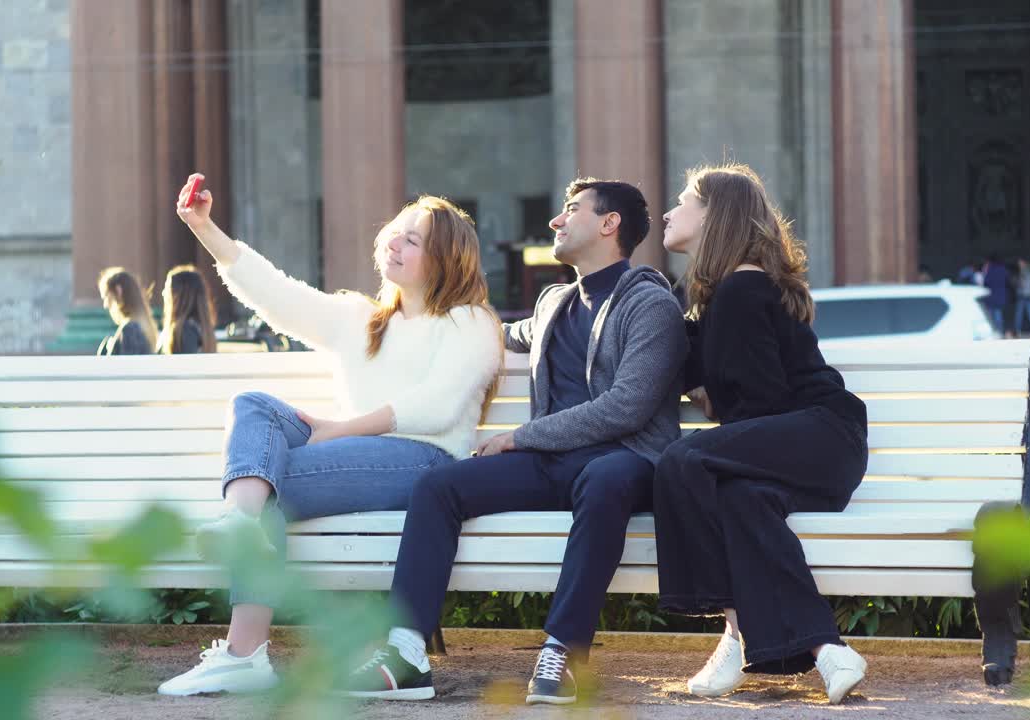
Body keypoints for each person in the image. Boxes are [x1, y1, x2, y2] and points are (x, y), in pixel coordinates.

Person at [343, 179, 687, 704]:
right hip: (551, 464)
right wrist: (415, 320)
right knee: (439, 487)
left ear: (608, 223)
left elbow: (628, 407)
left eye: (571, 209)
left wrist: (521, 436)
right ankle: (406, 652)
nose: (556, 220)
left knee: (603, 477)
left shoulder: (650, 304)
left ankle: (563, 652)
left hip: (625, 462)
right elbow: (492, 335)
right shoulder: (555, 302)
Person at [156, 178, 503, 696]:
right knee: (253, 408)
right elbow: (276, 294)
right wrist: (204, 227)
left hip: (424, 461)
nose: (396, 242)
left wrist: (341, 429)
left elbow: (437, 407)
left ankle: (243, 654)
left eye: (415, 240)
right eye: (398, 231)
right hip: (353, 454)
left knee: (265, 480)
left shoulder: (469, 321)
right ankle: (241, 524)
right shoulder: (362, 318)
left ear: (446, 260)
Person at [653, 163, 870, 705]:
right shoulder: (725, 294)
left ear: (713, 218)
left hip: (819, 434)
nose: (668, 212)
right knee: (741, 500)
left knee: (681, 462)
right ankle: (828, 651)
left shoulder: (742, 289)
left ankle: (734, 626)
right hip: (811, 448)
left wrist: (709, 410)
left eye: (682, 202)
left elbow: (764, 404)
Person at [96, 267, 157, 355]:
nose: (105, 305)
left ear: (118, 291)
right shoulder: (142, 325)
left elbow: (127, 367)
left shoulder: (130, 329)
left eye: (106, 297)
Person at [158, 264, 218, 354]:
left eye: (168, 288)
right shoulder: (203, 329)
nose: (164, 293)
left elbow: (185, 366)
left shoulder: (185, 330)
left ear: (179, 295)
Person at [1013, 258, 1030, 337]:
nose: (1019, 265)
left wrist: (1016, 281)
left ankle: (1017, 330)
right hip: (1029, 294)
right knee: (1029, 311)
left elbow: (1022, 283)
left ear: (1023, 262)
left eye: (1020, 263)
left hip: (1024, 294)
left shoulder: (1025, 271)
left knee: (1020, 312)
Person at [981, 254, 1008, 336]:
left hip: (992, 295)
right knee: (998, 314)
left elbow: (986, 282)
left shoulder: (990, 270)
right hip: (1001, 295)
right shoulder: (1003, 269)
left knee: (991, 315)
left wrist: (984, 272)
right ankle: (1000, 330)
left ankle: (994, 331)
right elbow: (1007, 280)